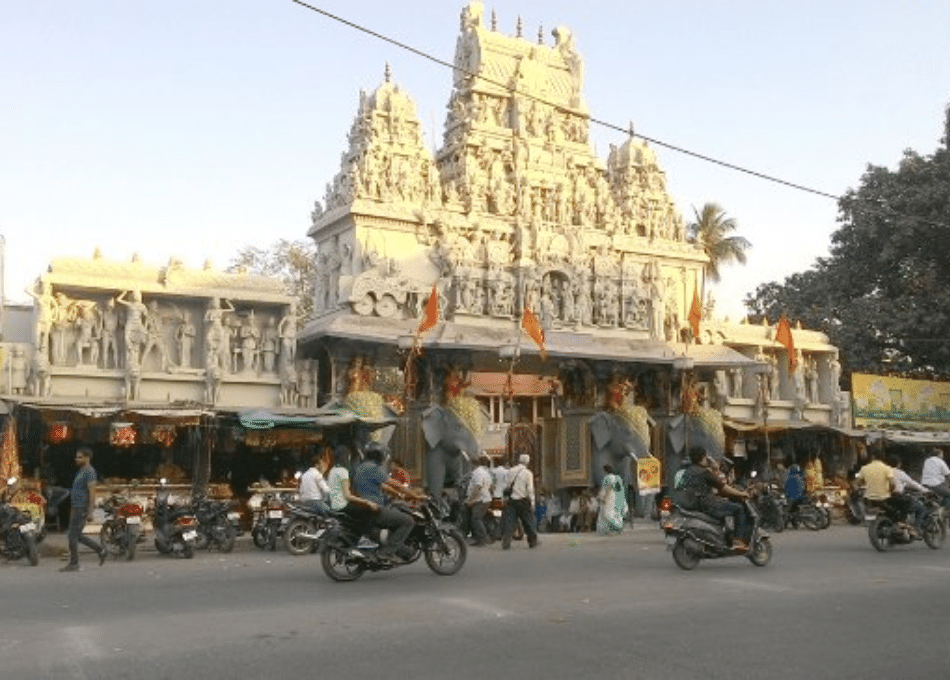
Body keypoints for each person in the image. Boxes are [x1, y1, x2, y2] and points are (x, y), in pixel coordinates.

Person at [353, 443, 424, 561]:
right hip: (374, 509)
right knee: (408, 521)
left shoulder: (361, 467)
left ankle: (398, 549)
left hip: (364, 508)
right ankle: (386, 552)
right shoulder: (374, 468)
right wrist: (415, 495)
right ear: (379, 455)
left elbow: (384, 486)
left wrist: (400, 496)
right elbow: (396, 485)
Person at [679, 446, 751, 550]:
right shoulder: (705, 472)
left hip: (691, 503)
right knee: (739, 508)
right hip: (706, 503)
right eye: (706, 457)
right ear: (703, 458)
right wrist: (741, 494)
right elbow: (724, 488)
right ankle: (737, 540)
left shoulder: (687, 471)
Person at [61, 446, 107, 571]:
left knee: (72, 536)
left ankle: (74, 563)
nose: (77, 459)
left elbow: (92, 493)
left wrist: (90, 512)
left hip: (81, 507)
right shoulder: (81, 471)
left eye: (80, 457)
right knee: (77, 536)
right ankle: (101, 550)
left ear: (87, 458)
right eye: (76, 457)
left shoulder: (90, 472)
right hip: (76, 506)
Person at [501, 454, 538, 550]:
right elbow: (530, 489)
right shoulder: (528, 473)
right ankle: (532, 542)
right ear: (527, 462)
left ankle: (506, 542)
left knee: (510, 522)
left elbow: (505, 486)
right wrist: (532, 502)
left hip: (512, 501)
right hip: (523, 501)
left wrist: (504, 499)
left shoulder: (510, 471)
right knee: (528, 521)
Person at [887, 454, 928, 536]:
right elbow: (912, 483)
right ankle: (916, 528)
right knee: (921, 508)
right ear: (898, 464)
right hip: (898, 497)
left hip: (886, 498)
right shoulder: (899, 472)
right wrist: (926, 491)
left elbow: (903, 483)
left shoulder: (884, 471)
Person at [463, 454, 493, 546]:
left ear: (472, 464)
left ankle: (482, 539)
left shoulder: (477, 473)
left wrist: (471, 500)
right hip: (485, 498)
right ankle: (483, 537)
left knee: (476, 519)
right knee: (479, 519)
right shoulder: (484, 472)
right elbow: (491, 486)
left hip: (480, 500)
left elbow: (478, 487)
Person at [596, 464, 627, 534]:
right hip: (618, 497)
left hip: (610, 497)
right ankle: (618, 528)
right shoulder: (618, 478)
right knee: (617, 513)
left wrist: (601, 497)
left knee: (607, 514)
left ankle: (612, 528)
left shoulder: (607, 478)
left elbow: (605, 489)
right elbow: (621, 489)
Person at [297, 449, 330, 514]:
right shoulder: (317, 474)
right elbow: (326, 490)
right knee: (330, 512)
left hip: (305, 502)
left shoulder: (304, 475)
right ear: (316, 465)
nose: (322, 465)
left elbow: (301, 491)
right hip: (316, 501)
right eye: (321, 463)